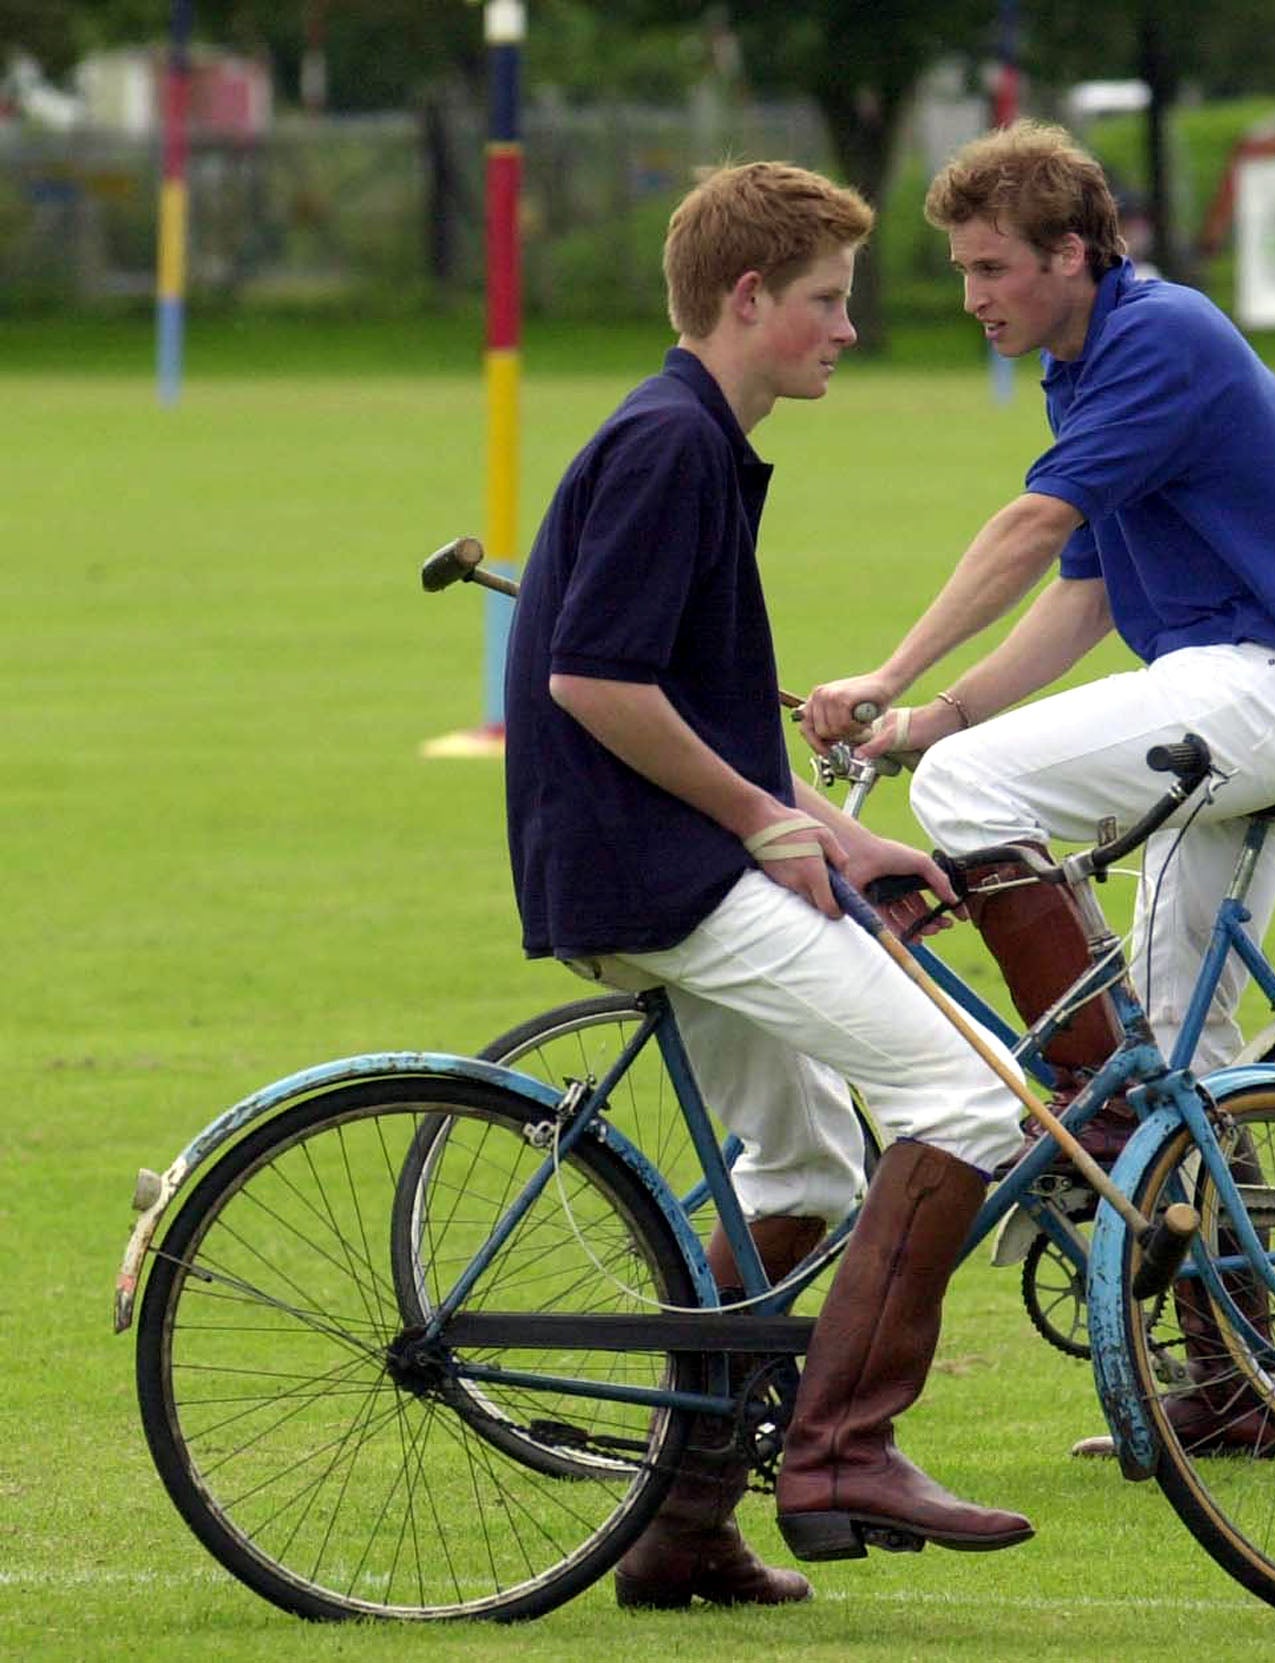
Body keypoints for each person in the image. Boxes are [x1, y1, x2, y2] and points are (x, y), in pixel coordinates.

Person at [802, 122, 1275, 1458]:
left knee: (971, 793)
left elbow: (1035, 531)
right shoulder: (1087, 368)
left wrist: (893, 675)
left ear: (1073, 254)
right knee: (1189, 1047)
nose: (973, 298)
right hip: (1240, 693)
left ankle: (1101, 1102)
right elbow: (1087, 594)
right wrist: (928, 715)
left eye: (992, 269)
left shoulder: (1158, 339)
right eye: (962, 271)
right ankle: (1239, 1385)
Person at [503, 161, 1034, 1611]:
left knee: (808, 1171)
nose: (846, 331)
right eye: (825, 302)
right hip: (658, 871)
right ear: (748, 299)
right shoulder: (674, 444)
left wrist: (832, 830)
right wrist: (763, 822)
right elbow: (593, 682)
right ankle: (845, 1450)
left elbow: (694, 699)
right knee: (973, 1104)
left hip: (662, 858)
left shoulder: (696, 441)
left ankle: (681, 1528)